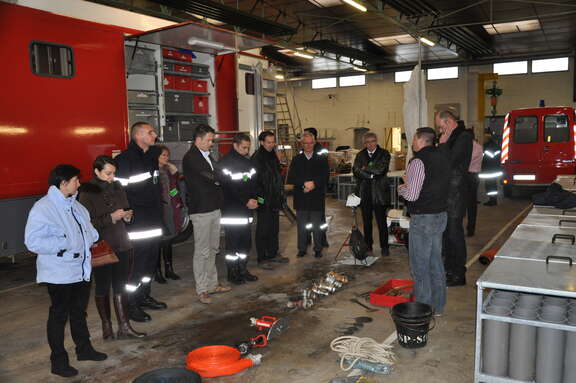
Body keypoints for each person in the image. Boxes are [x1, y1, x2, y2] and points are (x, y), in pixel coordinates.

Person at [25, 164, 106, 377]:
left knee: (79, 312)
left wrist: (91, 238)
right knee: (59, 316)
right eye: (75, 180)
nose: (79, 184)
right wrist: (65, 243)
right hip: (59, 273)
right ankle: (58, 362)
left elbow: (89, 232)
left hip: (80, 270)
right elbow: (32, 242)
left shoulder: (76, 207)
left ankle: (84, 349)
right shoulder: (43, 208)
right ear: (63, 183)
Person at [78, 156, 146, 340]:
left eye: (114, 173)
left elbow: (124, 208)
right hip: (102, 246)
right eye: (108, 173)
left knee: (120, 286)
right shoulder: (86, 192)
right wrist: (111, 218)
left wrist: (126, 216)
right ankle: (106, 327)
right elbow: (85, 223)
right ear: (97, 171)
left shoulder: (117, 186)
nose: (111, 177)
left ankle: (124, 327)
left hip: (121, 242)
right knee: (102, 287)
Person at [115, 122, 167, 322]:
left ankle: (144, 296)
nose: (155, 135)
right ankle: (130, 305)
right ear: (138, 135)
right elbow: (119, 192)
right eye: (150, 132)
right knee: (135, 266)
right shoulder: (124, 160)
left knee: (150, 263)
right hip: (137, 224)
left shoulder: (151, 155)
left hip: (153, 220)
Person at [398, 128, 450, 315]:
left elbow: (412, 195)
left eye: (413, 137)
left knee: (420, 266)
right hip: (440, 215)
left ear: (420, 140)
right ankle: (438, 307)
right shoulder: (443, 158)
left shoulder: (418, 160)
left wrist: (402, 188)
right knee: (435, 262)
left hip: (423, 218)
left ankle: (422, 309)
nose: (412, 141)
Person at [183, 124, 231, 304]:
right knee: (202, 251)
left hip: (214, 207)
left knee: (213, 248)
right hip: (201, 210)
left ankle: (212, 284)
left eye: (212, 140)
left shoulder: (207, 155)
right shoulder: (191, 157)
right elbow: (213, 176)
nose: (212, 143)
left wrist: (219, 177)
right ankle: (202, 289)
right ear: (198, 139)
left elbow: (217, 174)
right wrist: (220, 178)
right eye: (209, 140)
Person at [436, 111, 473, 287]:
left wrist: (442, 145)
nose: (440, 130)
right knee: (447, 236)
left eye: (441, 127)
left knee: (454, 234)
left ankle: (459, 274)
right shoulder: (454, 138)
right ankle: (449, 270)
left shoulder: (463, 137)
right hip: (448, 193)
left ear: (449, 122)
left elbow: (449, 162)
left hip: (455, 194)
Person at [218, 133, 259, 284]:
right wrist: (246, 200)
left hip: (246, 210)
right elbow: (229, 188)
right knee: (233, 243)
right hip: (233, 210)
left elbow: (254, 183)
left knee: (245, 243)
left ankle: (243, 269)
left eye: (248, 148)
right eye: (243, 148)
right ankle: (232, 272)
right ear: (235, 145)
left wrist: (255, 199)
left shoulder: (247, 163)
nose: (247, 151)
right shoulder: (225, 163)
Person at [287, 132, 330, 258]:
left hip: (316, 197)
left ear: (314, 142)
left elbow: (325, 177)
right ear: (302, 144)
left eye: (311, 143)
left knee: (317, 226)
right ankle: (302, 249)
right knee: (302, 226)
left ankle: (318, 249)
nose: (308, 145)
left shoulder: (321, 159)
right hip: (301, 197)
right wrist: (304, 184)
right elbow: (292, 177)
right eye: (305, 143)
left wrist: (314, 184)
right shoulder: (296, 160)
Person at [251, 131, 289, 268]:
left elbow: (276, 176)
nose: (271, 144)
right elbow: (253, 181)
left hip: (274, 198)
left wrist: (280, 195)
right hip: (263, 199)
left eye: (273, 142)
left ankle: (273, 253)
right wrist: (260, 199)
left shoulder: (273, 155)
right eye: (269, 142)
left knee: (274, 228)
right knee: (263, 228)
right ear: (261, 142)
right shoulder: (257, 158)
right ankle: (262, 258)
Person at [352, 132, 391, 257]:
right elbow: (356, 171)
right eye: (367, 142)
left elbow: (381, 170)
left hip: (379, 193)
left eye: (373, 141)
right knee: (367, 223)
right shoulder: (360, 155)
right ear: (364, 143)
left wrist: (365, 169)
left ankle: (384, 247)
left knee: (381, 222)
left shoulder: (384, 153)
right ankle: (368, 245)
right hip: (365, 193)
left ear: (376, 141)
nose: (370, 144)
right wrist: (371, 174)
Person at [155, 145, 185, 283]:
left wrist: (176, 200)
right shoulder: (153, 172)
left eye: (167, 155)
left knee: (168, 240)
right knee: (157, 242)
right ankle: (157, 272)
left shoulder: (168, 170)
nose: (166, 158)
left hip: (170, 209)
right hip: (158, 210)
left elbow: (174, 188)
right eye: (163, 155)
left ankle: (169, 269)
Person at [304, 127, 329, 248]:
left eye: (306, 135)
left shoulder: (321, 150)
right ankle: (307, 238)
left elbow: (323, 170)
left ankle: (322, 239)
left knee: (320, 217)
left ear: (313, 137)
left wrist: (315, 183)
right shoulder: (302, 150)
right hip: (306, 188)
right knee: (307, 216)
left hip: (317, 188)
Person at [466, 128, 484, 237]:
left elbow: (466, 161)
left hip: (471, 176)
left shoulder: (476, 147)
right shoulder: (476, 147)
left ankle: (471, 228)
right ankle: (469, 226)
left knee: (471, 204)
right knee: (469, 204)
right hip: (470, 176)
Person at [481, 131, 502, 206]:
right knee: (493, 185)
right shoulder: (495, 145)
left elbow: (487, 159)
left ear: (487, 138)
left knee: (490, 185)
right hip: (494, 169)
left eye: (484, 137)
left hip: (490, 170)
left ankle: (492, 201)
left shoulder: (488, 147)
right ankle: (493, 200)